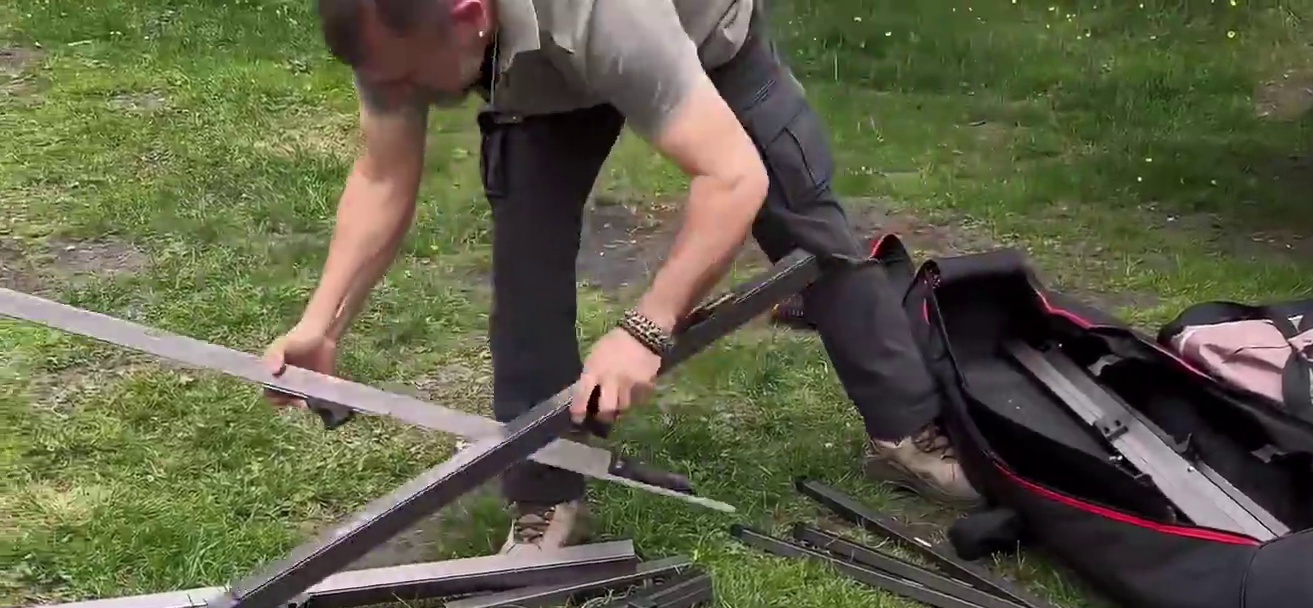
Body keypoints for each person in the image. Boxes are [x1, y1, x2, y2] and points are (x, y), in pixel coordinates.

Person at [262, 0, 981, 555]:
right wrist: (322, 320)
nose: (403, 96)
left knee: (805, 219)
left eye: (410, 79)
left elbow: (731, 178)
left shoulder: (606, 14)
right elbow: (384, 172)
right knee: (526, 259)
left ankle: (907, 428)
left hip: (694, 32)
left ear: (468, 14)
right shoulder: (390, 22)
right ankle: (545, 488)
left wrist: (646, 326)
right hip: (534, 73)